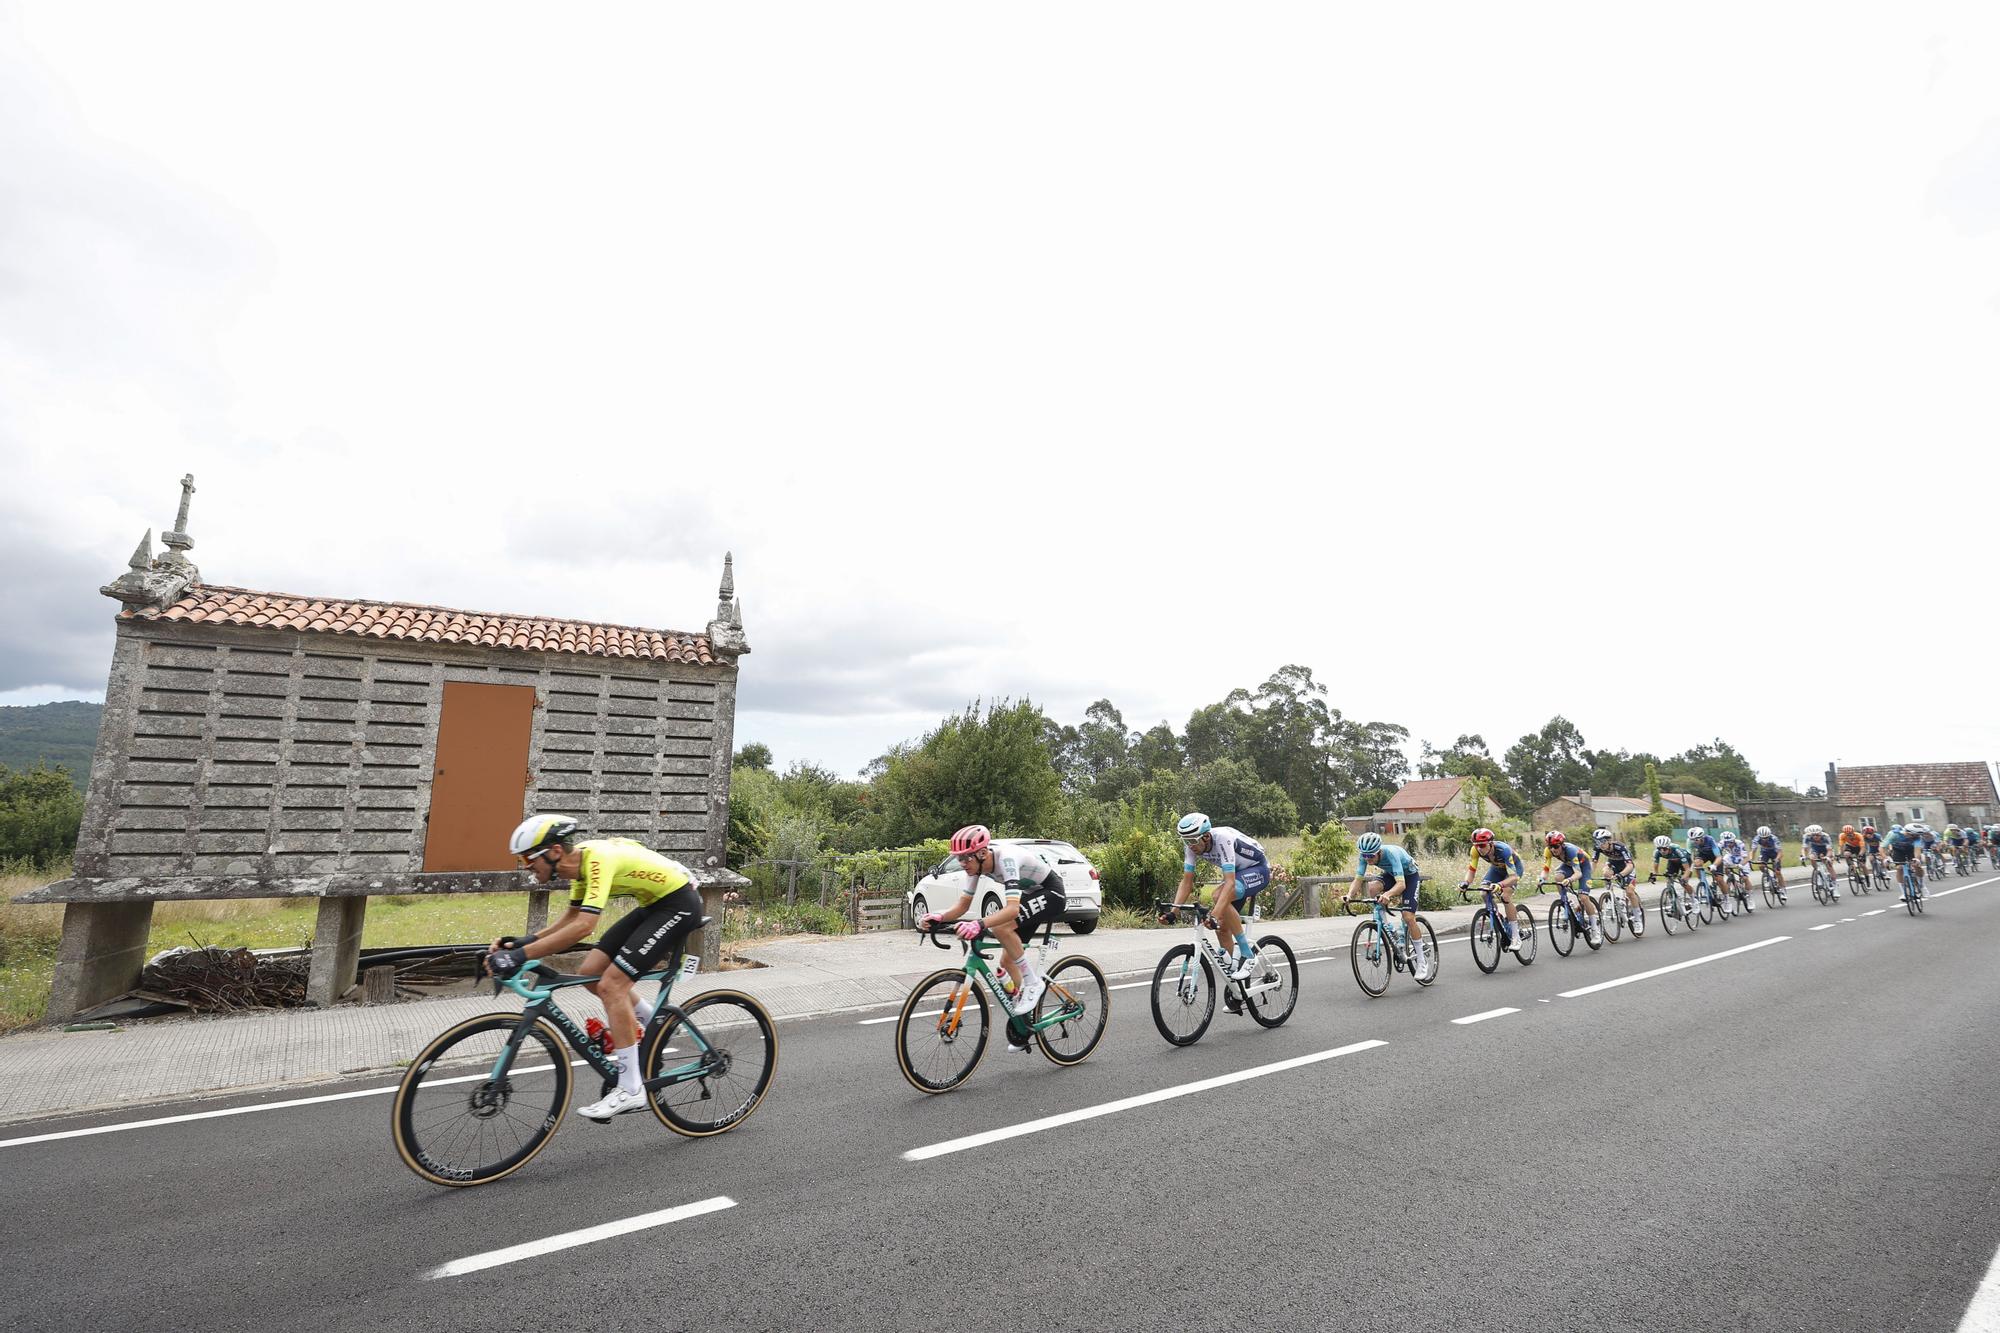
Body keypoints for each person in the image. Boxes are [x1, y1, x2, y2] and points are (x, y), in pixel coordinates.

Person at [489, 815, 705, 1122]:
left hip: (680, 904)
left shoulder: (596, 861)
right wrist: (523, 944)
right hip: (654, 904)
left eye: (527, 857)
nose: (524, 865)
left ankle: (631, 1090)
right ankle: (651, 1023)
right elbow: (571, 919)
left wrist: (520, 957)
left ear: (554, 852)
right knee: (589, 973)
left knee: (611, 986)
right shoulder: (578, 867)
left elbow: (584, 928)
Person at [918, 825, 1066, 1033]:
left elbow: (1012, 909)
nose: (962, 864)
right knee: (1006, 962)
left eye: (965, 858)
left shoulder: (1007, 860)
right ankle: (1023, 1026)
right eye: (958, 858)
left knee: (1000, 928)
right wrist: (939, 916)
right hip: (1032, 895)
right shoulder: (975, 867)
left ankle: (1033, 983)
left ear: (982, 853)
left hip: (1052, 893)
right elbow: (963, 906)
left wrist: (979, 923)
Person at [1168, 812, 1272, 982]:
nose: (1190, 845)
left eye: (1193, 840)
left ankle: (1247, 955)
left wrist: (1213, 915)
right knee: (1221, 928)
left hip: (1258, 869)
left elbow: (1229, 883)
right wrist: (1174, 911)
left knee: (1218, 895)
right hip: (1238, 876)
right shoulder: (1192, 846)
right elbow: (1187, 882)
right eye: (1186, 841)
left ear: (1207, 836)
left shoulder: (1223, 838)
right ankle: (1237, 987)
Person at [1348, 832, 1429, 975]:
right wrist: (1348, 896)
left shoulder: (1391, 853)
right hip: (1392, 874)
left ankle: (1422, 962)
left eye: (1371, 856)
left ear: (1379, 851)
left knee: (1408, 916)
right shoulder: (1365, 856)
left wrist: (1387, 894)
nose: (1368, 859)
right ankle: (1389, 928)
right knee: (1372, 888)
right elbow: (1358, 880)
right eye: (1365, 856)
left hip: (1409, 877)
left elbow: (1401, 885)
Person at [1461, 828, 1528, 952]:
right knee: (1484, 892)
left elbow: (1513, 877)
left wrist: (1500, 885)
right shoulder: (1475, 850)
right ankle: (1500, 919)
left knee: (1505, 896)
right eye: (1476, 845)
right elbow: (1471, 871)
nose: (1479, 848)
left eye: (1482, 845)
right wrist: (1466, 882)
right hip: (1496, 869)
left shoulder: (1503, 850)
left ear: (1491, 843)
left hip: (1514, 870)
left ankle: (1515, 936)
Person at [1542, 831, 1601, 943]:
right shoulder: (1548, 851)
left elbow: (1578, 873)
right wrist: (1541, 880)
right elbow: (1545, 869)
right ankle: (1565, 902)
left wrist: (1569, 879)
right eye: (1550, 847)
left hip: (1583, 866)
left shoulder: (1570, 850)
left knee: (1583, 897)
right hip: (1569, 865)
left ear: (1562, 844)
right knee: (1558, 877)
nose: (1553, 850)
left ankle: (1595, 930)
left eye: (1556, 846)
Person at [1590, 828, 1645, 931]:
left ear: (1609, 841)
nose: (1600, 845)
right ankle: (1610, 898)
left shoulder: (1620, 847)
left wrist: (1621, 874)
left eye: (1602, 841)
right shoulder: (1598, 848)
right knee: (1606, 872)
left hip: (1626, 867)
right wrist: (1588, 875)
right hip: (1613, 864)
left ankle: (1638, 920)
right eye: (1597, 842)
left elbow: (1630, 865)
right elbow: (1593, 863)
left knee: (1629, 891)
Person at [1686, 827, 1726, 913]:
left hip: (1714, 855)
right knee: (1697, 864)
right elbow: (1689, 856)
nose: (1694, 842)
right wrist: (1689, 870)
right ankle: (1703, 884)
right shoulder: (1690, 841)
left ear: (1702, 837)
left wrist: (1714, 865)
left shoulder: (1709, 840)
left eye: (1696, 840)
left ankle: (1726, 899)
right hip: (1703, 854)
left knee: (1719, 879)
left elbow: (1719, 857)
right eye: (1692, 840)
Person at [1800, 823, 1838, 900]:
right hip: (1815, 849)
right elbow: (1804, 848)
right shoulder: (1806, 836)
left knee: (1829, 865)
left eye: (1817, 835)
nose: (1815, 837)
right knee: (1812, 857)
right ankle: (1817, 872)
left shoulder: (1826, 836)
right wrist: (1803, 856)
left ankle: (1835, 886)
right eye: (1813, 835)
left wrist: (1827, 857)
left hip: (1826, 850)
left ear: (1821, 833)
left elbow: (1829, 850)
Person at [1750, 825, 1787, 901]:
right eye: (1763, 838)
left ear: (1769, 835)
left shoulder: (1774, 838)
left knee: (1777, 872)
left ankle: (1783, 890)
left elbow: (1780, 852)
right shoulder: (1756, 838)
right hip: (1764, 853)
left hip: (1775, 853)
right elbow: (1753, 850)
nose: (1764, 839)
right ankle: (1766, 876)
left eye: (1766, 837)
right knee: (1761, 865)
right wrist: (1751, 859)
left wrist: (1777, 859)